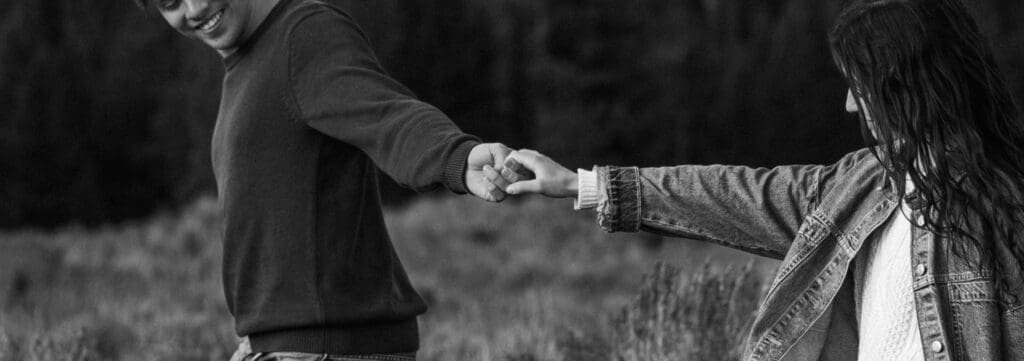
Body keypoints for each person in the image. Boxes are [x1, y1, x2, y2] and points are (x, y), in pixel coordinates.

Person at [489, 0, 1024, 359]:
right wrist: (578, 185)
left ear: (900, 86)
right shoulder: (858, 188)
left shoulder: (1004, 204)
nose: (846, 105)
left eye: (857, 87)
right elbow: (734, 194)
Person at [134, 0, 515, 359]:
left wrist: (456, 157)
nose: (195, 8)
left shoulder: (303, 35)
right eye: (171, 4)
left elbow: (387, 115)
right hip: (283, 344)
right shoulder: (248, 61)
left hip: (330, 346)